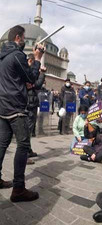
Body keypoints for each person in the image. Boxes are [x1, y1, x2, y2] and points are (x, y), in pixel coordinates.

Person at [0, 25, 44, 201]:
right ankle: (18, 189)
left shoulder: (2, 56)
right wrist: (37, 58)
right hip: (16, 107)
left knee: (2, 144)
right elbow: (31, 77)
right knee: (23, 145)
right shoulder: (17, 55)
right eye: (24, 38)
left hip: (2, 107)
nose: (25, 40)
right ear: (18, 38)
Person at [26, 53, 45, 138]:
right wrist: (42, 74)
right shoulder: (28, 71)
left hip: (27, 101)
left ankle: (27, 148)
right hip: (29, 102)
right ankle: (25, 149)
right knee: (28, 126)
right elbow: (37, 84)